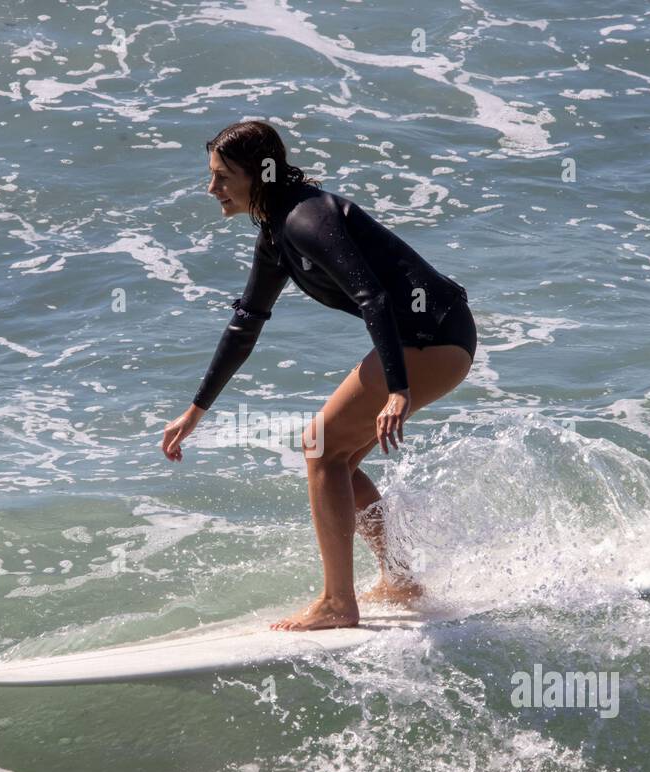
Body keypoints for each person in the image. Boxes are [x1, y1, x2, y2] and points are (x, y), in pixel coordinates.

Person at [161, 120, 477, 631]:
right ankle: (399, 580)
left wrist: (397, 390)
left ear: (257, 174)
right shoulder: (276, 232)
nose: (211, 189)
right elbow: (245, 324)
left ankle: (337, 602)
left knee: (320, 447)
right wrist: (195, 412)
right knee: (339, 461)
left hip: (433, 338)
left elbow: (371, 295)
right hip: (429, 337)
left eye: (221, 177)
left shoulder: (306, 219)